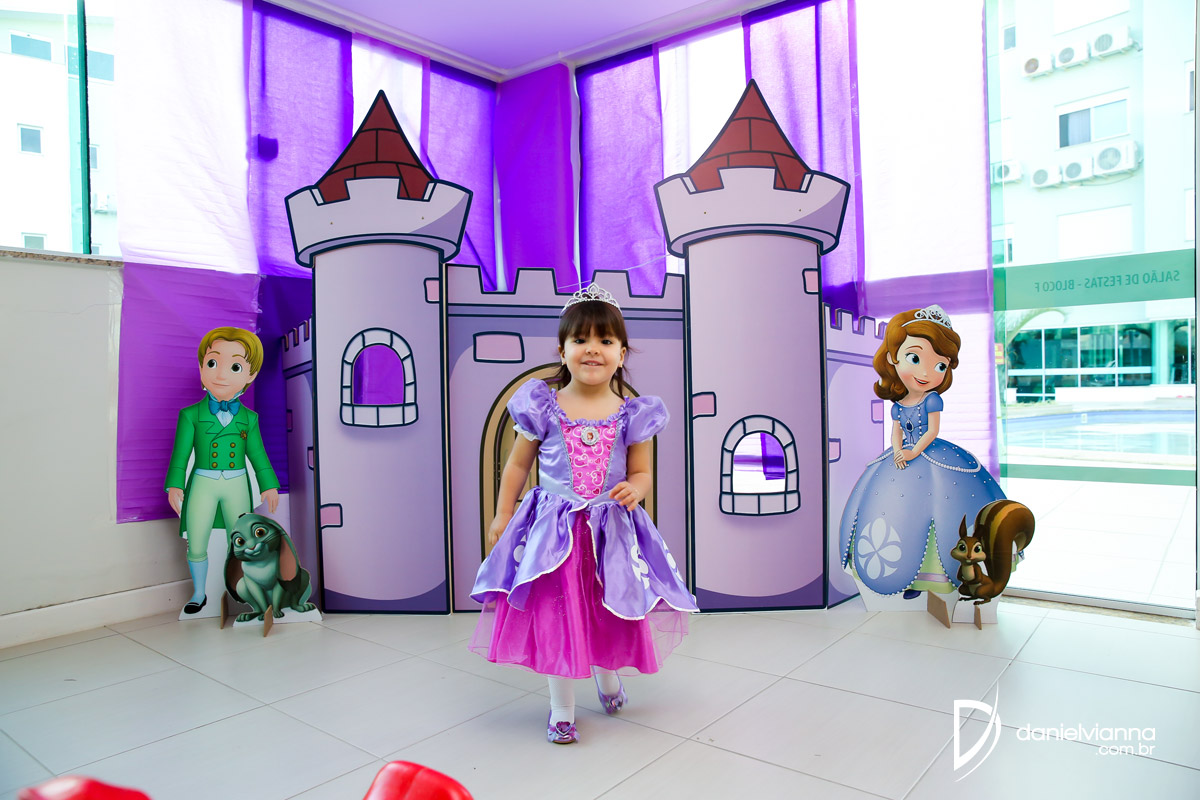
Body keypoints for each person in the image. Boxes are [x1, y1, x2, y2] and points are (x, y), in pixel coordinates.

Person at [470, 283, 697, 745]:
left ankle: (608, 678)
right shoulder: (545, 406)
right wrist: (502, 513)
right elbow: (517, 465)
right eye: (580, 340)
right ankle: (562, 709)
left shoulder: (632, 414)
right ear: (562, 350)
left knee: (608, 608)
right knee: (559, 614)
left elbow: (642, 471)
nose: (592, 349)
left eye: (605, 341)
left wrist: (636, 488)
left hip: (611, 531)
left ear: (621, 353)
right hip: (555, 534)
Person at [838, 305, 1005, 600]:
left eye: (940, 365)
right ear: (893, 358)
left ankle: (941, 580)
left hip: (928, 452)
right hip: (901, 456)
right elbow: (896, 431)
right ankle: (907, 577)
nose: (926, 373)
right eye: (915, 358)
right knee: (893, 511)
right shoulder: (898, 405)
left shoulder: (932, 401)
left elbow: (932, 431)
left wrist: (914, 452)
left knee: (943, 508)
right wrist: (898, 450)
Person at [165, 327, 280, 614]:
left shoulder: (249, 418)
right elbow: (181, 454)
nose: (220, 374)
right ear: (201, 367)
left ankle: (245, 592)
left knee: (243, 539)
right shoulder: (190, 415)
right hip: (203, 483)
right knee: (196, 538)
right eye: (213, 362)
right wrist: (175, 484)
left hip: (236, 483)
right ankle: (200, 594)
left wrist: (268, 483)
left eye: (235, 366)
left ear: (251, 375)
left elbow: (257, 454)